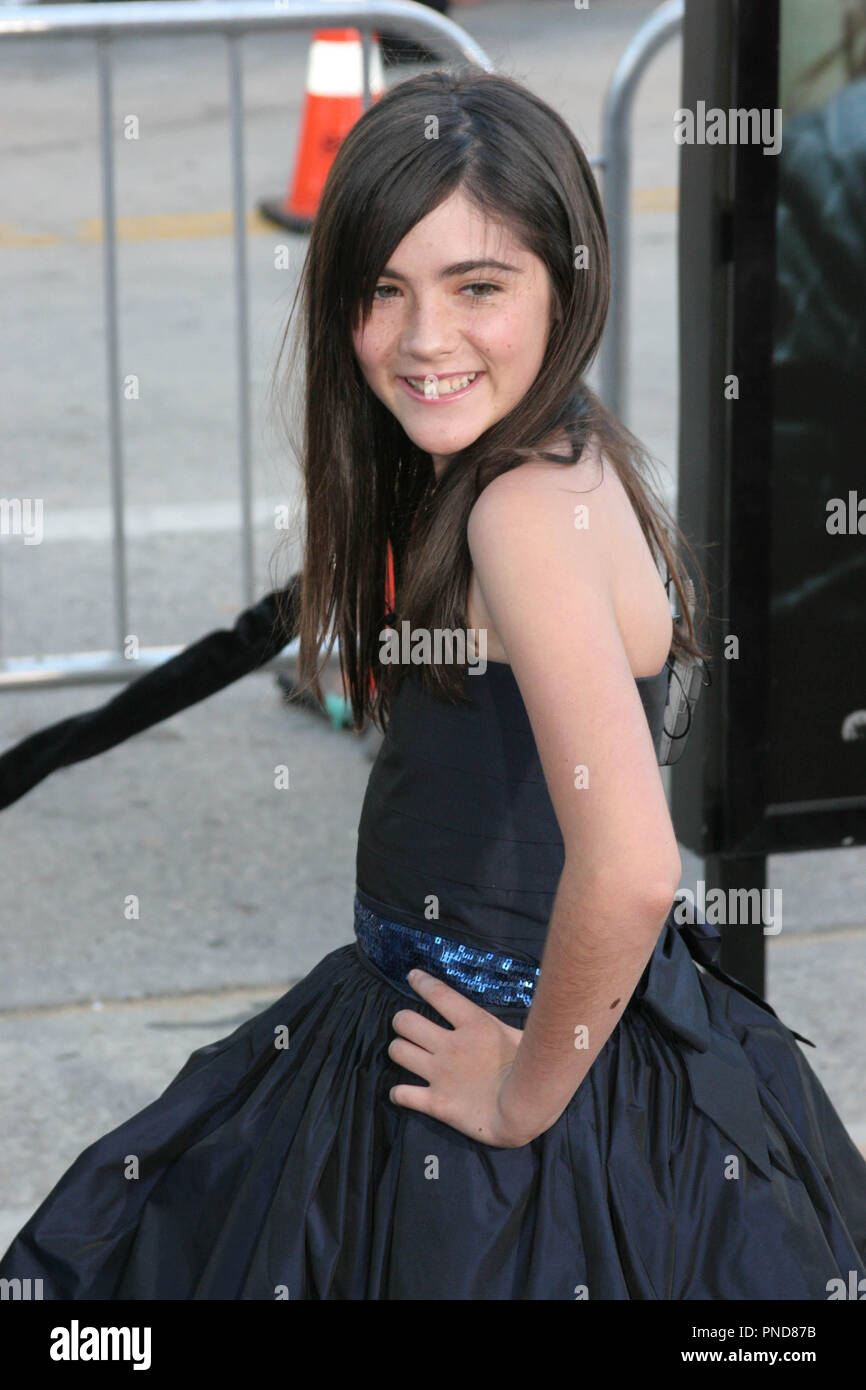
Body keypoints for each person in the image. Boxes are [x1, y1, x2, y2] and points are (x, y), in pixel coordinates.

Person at [2, 69, 865, 1301]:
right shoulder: (550, 451)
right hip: (512, 1021)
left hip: (503, 1071)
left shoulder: (521, 512)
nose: (423, 339)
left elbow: (626, 866)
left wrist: (518, 1096)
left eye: (477, 287)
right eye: (382, 290)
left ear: (563, 283)